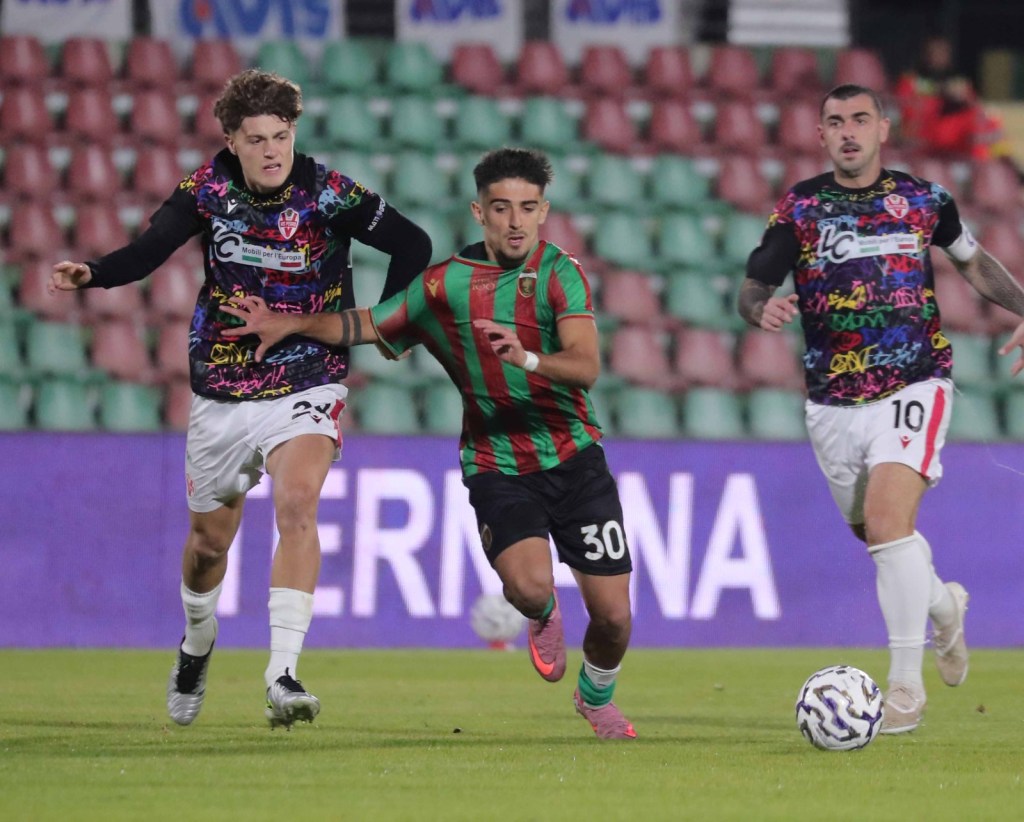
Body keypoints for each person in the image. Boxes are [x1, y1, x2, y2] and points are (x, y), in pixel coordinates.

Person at [49, 69, 432, 729]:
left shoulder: (328, 192)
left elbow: (414, 244)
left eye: (280, 136)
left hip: (309, 374)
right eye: (255, 139)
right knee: (207, 546)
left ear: (294, 133)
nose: (271, 151)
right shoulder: (206, 190)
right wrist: (95, 274)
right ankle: (197, 643)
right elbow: (147, 253)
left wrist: (387, 328)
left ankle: (282, 673)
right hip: (224, 387)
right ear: (231, 139)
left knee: (298, 502)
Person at [218, 147, 637, 739]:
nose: (515, 221)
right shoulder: (443, 286)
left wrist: (529, 358)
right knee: (528, 585)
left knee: (615, 618)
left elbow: (588, 366)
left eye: (527, 208)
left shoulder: (560, 273)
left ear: (543, 212)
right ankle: (542, 614)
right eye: (501, 208)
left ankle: (596, 696)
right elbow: (368, 323)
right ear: (479, 213)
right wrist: (292, 322)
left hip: (575, 457)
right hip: (496, 462)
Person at [738, 83, 1024, 734]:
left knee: (890, 516)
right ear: (820, 135)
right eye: (834, 120)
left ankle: (903, 690)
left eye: (859, 119)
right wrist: (762, 309)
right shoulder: (801, 207)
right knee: (880, 537)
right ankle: (945, 608)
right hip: (832, 401)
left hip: (915, 381)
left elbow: (974, 264)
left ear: (882, 128)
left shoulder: (924, 201)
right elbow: (753, 286)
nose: (847, 131)